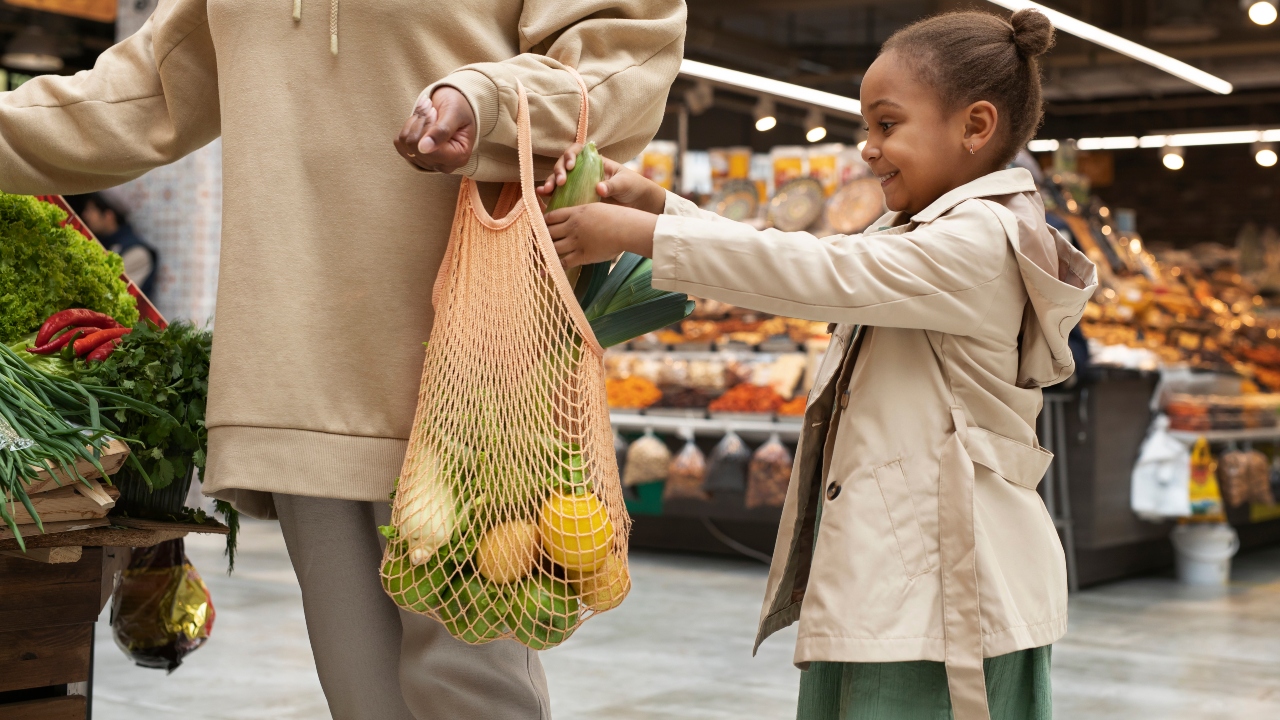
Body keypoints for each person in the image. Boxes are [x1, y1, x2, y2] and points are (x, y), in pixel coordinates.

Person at [0, 1, 685, 718]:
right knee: (359, 693)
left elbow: (625, 57)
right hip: (296, 357)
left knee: (471, 693)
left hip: (468, 361)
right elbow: (143, 95)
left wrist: (488, 99)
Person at [541, 10, 1096, 720]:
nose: (868, 150)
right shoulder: (919, 231)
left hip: (946, 599)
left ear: (976, 126)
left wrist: (644, 232)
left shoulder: (982, 241)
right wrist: (659, 205)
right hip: (890, 584)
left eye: (887, 125)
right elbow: (806, 264)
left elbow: (819, 270)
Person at [66, 193, 160, 298]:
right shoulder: (100, 244)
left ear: (108, 216)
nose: (85, 215)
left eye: (91, 210)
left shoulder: (137, 252)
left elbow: (112, 295)